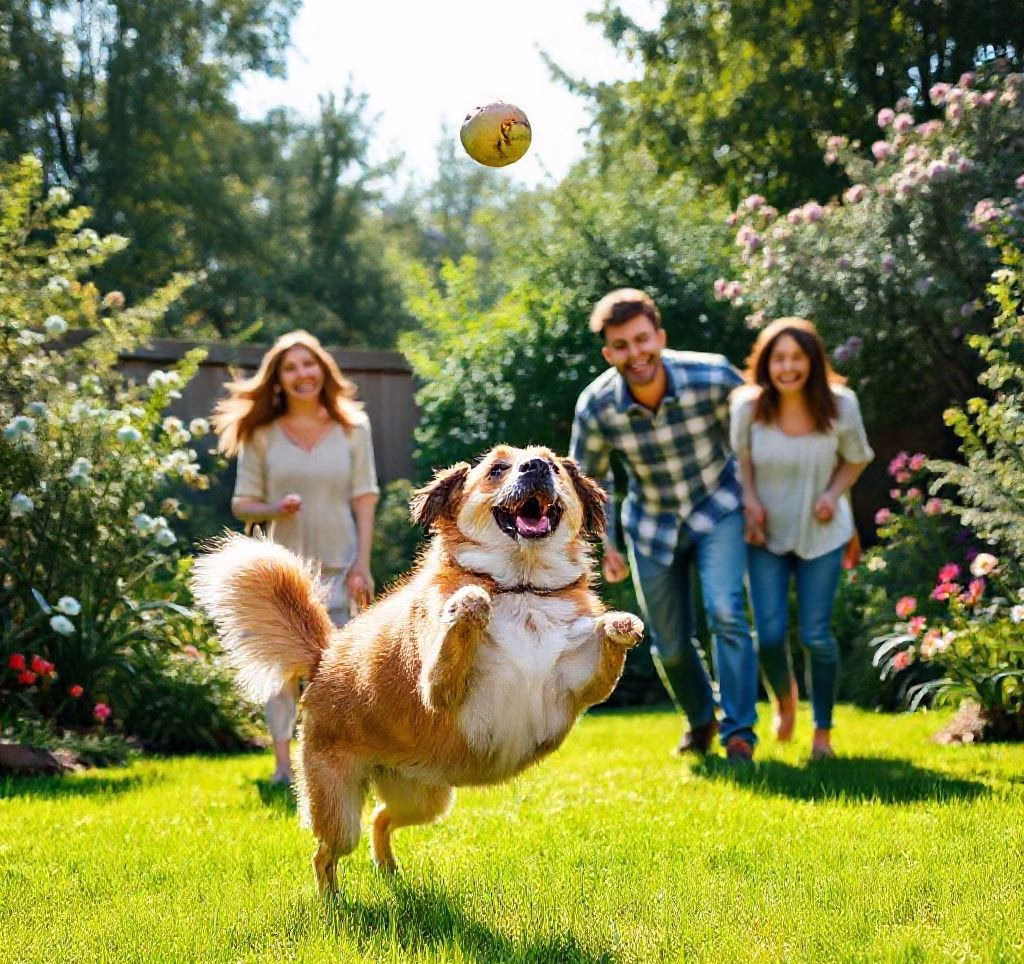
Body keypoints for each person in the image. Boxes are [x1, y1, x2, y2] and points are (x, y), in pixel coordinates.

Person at [569, 288, 759, 763]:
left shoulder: (713, 376)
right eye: (621, 345)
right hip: (652, 523)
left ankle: (740, 732)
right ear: (608, 353)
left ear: (660, 337)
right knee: (669, 644)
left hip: (719, 507)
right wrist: (607, 544)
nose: (635, 354)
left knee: (726, 613)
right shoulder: (596, 405)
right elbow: (589, 480)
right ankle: (701, 719)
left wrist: (759, 502)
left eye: (642, 339)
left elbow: (756, 436)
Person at [211, 330, 379, 784]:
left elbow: (365, 498)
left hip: (340, 566)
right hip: (279, 574)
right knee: (281, 673)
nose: (302, 374)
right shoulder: (261, 434)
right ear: (278, 380)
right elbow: (242, 505)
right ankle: (284, 768)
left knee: (340, 671)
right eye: (290, 368)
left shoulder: (353, 427)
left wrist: (362, 564)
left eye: (309, 364)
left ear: (323, 369)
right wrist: (274, 508)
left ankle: (341, 761)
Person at [730, 317, 873, 761]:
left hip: (823, 532)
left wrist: (832, 494)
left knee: (816, 636)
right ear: (765, 363)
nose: (788, 367)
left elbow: (857, 458)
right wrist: (750, 501)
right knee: (770, 636)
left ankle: (822, 734)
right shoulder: (747, 406)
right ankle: (785, 699)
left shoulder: (841, 405)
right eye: (779, 358)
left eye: (797, 357)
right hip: (764, 535)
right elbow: (741, 463)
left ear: (813, 361)